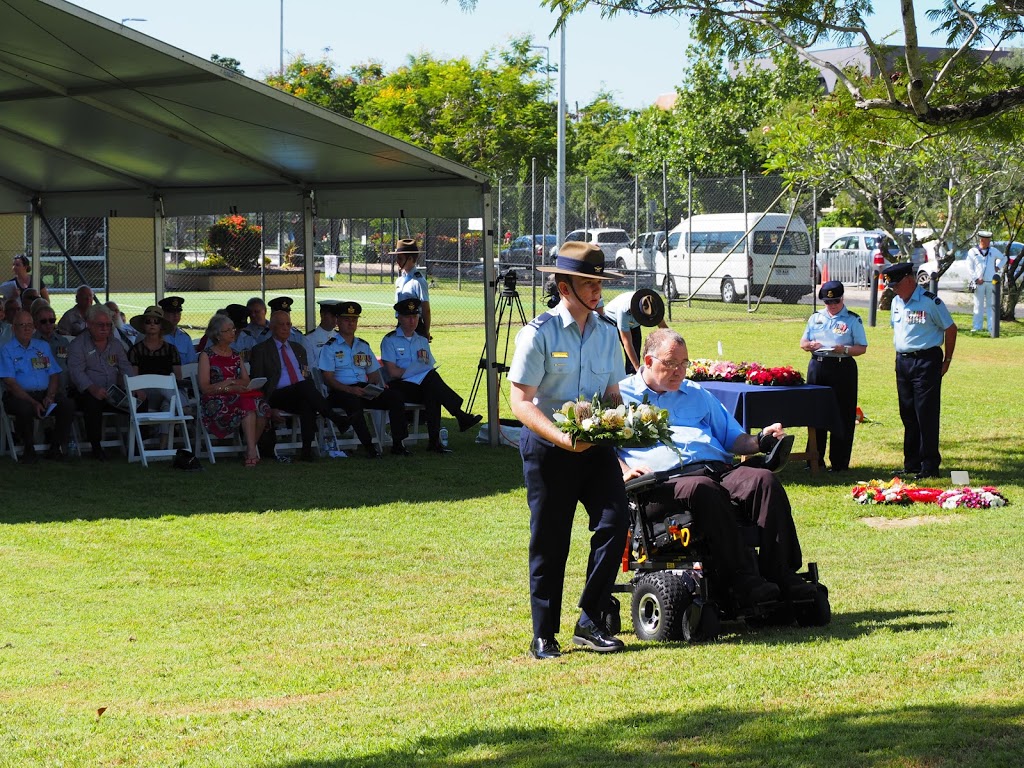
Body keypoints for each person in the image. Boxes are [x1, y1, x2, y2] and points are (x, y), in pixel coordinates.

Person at [618, 328, 816, 604]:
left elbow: (733, 438)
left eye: (684, 364)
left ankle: (782, 573)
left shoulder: (696, 393)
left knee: (763, 481)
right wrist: (623, 470)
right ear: (648, 362)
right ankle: (742, 580)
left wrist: (760, 440)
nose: (679, 371)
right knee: (703, 488)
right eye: (671, 364)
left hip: (714, 468)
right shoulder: (621, 395)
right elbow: (603, 447)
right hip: (662, 484)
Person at [507, 241, 629, 660]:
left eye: (599, 282)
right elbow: (520, 402)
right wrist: (561, 439)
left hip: (596, 448)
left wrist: (625, 426)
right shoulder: (537, 333)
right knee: (550, 540)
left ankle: (590, 619)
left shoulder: (609, 331)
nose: (597, 290)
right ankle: (544, 634)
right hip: (548, 449)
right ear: (564, 287)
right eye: (587, 283)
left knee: (616, 522)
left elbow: (612, 393)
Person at [882, 262, 957, 479]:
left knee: (926, 413)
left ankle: (929, 465)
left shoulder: (930, 301)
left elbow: (950, 328)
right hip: (903, 362)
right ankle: (912, 463)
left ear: (909, 280)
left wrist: (948, 359)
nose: (894, 289)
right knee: (908, 413)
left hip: (926, 361)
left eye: (896, 285)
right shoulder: (897, 301)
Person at [380, 298, 480, 454]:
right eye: (408, 316)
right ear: (399, 317)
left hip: (422, 384)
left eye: (415, 316)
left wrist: (420, 373)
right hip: (399, 385)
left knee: (432, 389)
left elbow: (428, 364)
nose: (413, 320)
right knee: (432, 381)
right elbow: (392, 372)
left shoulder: (421, 340)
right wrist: (412, 372)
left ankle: (434, 442)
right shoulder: (389, 340)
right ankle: (459, 416)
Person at [248, 309, 350, 462]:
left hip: (300, 393)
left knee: (307, 401)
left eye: (288, 324)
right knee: (304, 387)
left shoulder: (298, 348)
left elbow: (305, 374)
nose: (285, 328)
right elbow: (259, 382)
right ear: (272, 327)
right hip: (277, 394)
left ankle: (306, 452)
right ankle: (335, 418)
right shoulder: (261, 350)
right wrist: (267, 406)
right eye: (281, 324)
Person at [319, 301, 411, 458]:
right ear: (338, 321)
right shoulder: (330, 347)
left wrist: (373, 386)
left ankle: (397, 443)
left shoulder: (363, 346)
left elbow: (374, 373)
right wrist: (350, 389)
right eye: (347, 319)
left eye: (354, 320)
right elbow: (328, 379)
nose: (351, 323)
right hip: (341, 391)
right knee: (353, 402)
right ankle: (369, 446)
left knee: (395, 397)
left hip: (363, 389)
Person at [798, 280, 868, 473]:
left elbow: (861, 348)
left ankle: (839, 463)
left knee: (843, 415)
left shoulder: (853, 319)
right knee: (816, 413)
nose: (832, 305)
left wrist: (844, 349)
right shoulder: (816, 318)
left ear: (842, 298)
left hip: (842, 367)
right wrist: (809, 345)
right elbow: (803, 342)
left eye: (835, 301)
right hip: (818, 366)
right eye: (828, 302)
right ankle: (814, 459)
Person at [67, 304, 142, 460]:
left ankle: (139, 444)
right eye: (100, 325)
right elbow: (76, 373)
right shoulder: (78, 345)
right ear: (89, 324)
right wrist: (93, 388)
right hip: (87, 392)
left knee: (140, 400)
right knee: (92, 403)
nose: (105, 328)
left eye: (108, 325)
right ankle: (96, 447)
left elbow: (125, 366)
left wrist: (135, 387)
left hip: (112, 391)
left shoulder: (115, 344)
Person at [0, 310, 74, 462]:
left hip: (44, 394)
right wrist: (33, 402)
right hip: (18, 395)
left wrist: (50, 396)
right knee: (25, 408)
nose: (27, 328)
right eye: (22, 325)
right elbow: (10, 383)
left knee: (67, 405)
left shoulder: (42, 347)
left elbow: (54, 374)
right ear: (14, 328)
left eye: (29, 325)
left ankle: (55, 448)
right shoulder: (7, 350)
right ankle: (29, 449)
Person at [197, 313, 269, 467]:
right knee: (247, 405)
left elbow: (246, 380)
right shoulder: (206, 355)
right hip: (215, 400)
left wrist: (234, 384)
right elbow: (205, 387)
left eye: (233, 329)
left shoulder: (236, 355)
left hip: (237, 396)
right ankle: (251, 451)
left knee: (262, 407)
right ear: (217, 335)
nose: (233, 332)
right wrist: (227, 384)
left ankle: (250, 447)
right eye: (228, 330)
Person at [597, 288, 669, 374]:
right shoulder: (624, 310)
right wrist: (638, 369)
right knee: (615, 353)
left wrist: (675, 344)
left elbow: (664, 328)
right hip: (612, 320)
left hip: (632, 323)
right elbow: (627, 342)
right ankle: (630, 376)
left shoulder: (652, 304)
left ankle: (633, 373)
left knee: (636, 346)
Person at [127, 306, 182, 411]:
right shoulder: (135, 350)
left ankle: (176, 412)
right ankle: (183, 407)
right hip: (144, 393)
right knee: (170, 396)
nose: (152, 324)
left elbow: (178, 377)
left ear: (161, 326)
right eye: (148, 321)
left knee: (168, 406)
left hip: (166, 394)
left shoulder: (171, 350)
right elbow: (134, 378)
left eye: (156, 321)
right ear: (143, 325)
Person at [391, 239, 431, 338]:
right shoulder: (400, 280)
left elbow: (426, 309)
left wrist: (426, 332)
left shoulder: (418, 281)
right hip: (401, 324)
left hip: (415, 326)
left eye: (400, 258)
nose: (397, 261)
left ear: (409, 259)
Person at [966, 229, 1004, 333]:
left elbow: (1003, 258)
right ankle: (977, 327)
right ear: (981, 240)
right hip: (979, 283)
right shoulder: (973, 251)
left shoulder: (993, 250)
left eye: (989, 240)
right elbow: (969, 267)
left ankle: (991, 327)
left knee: (991, 306)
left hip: (991, 282)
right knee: (978, 305)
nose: (988, 242)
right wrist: (976, 279)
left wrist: (998, 267)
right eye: (986, 240)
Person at [31, 301, 71, 373]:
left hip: (63, 382)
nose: (48, 323)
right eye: (43, 321)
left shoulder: (63, 341)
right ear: (36, 323)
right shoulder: (30, 343)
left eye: (51, 320)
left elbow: (71, 364)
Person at [158, 296, 198, 365]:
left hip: (184, 374)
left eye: (178, 312)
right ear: (163, 314)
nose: (176, 315)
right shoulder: (156, 335)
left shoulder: (185, 337)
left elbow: (191, 363)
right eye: (172, 312)